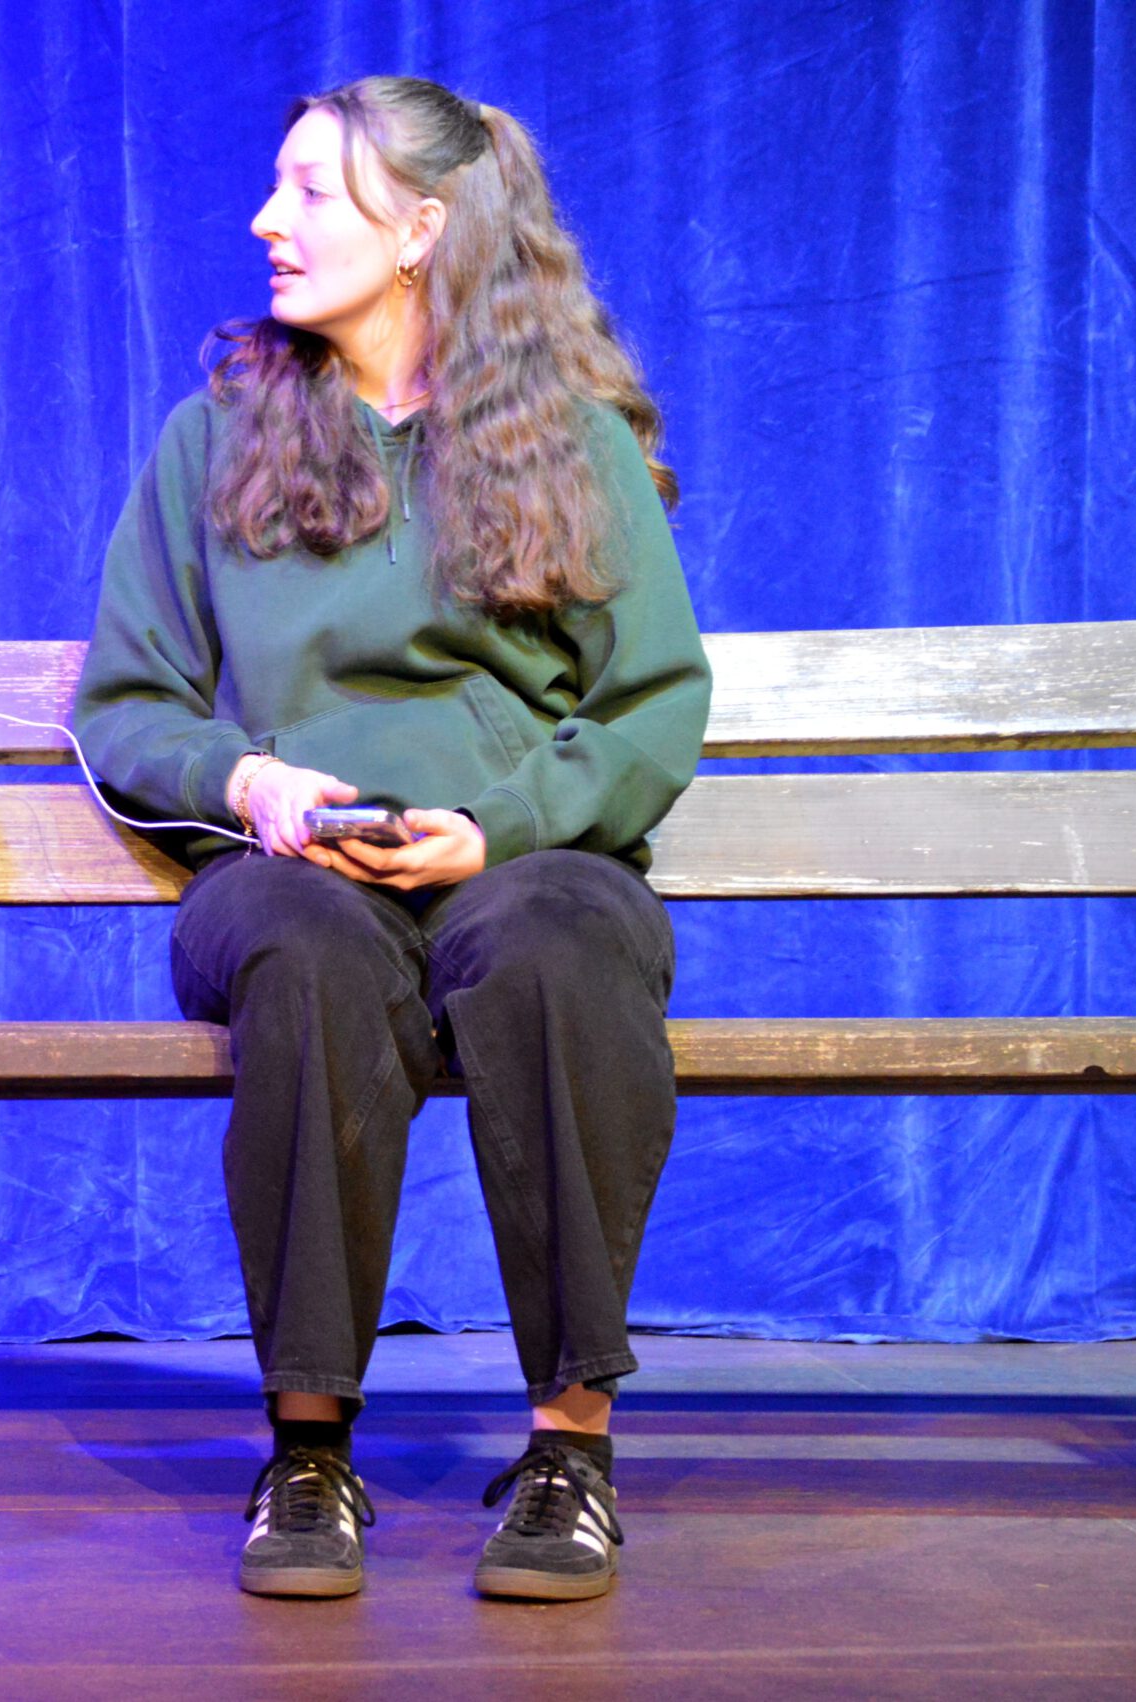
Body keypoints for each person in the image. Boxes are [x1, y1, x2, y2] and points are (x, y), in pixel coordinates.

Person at [73, 76, 711, 1603]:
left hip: (523, 863)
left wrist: (500, 827)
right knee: (301, 956)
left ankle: (571, 1451)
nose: (266, 220)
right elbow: (126, 705)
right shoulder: (215, 440)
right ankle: (308, 1450)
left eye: (311, 190)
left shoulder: (568, 443)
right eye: (275, 185)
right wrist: (248, 783)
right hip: (293, 872)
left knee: (561, 948)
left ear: (423, 229)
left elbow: (651, 704)